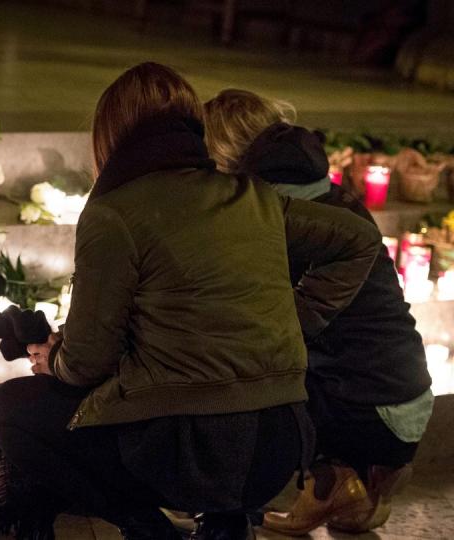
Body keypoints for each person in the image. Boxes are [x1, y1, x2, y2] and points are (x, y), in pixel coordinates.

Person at [0, 62, 383, 540]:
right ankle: (226, 524)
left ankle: (148, 529)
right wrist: (295, 323)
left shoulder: (116, 212)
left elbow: (89, 361)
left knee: (13, 407)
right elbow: (359, 238)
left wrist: (54, 361)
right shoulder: (250, 196)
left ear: (110, 134)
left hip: (189, 451)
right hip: (281, 444)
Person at [203, 88, 434, 535]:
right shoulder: (329, 194)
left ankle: (325, 482)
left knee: (243, 362)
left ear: (224, 157)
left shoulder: (274, 214)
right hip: (407, 393)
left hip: (365, 409)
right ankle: (358, 491)